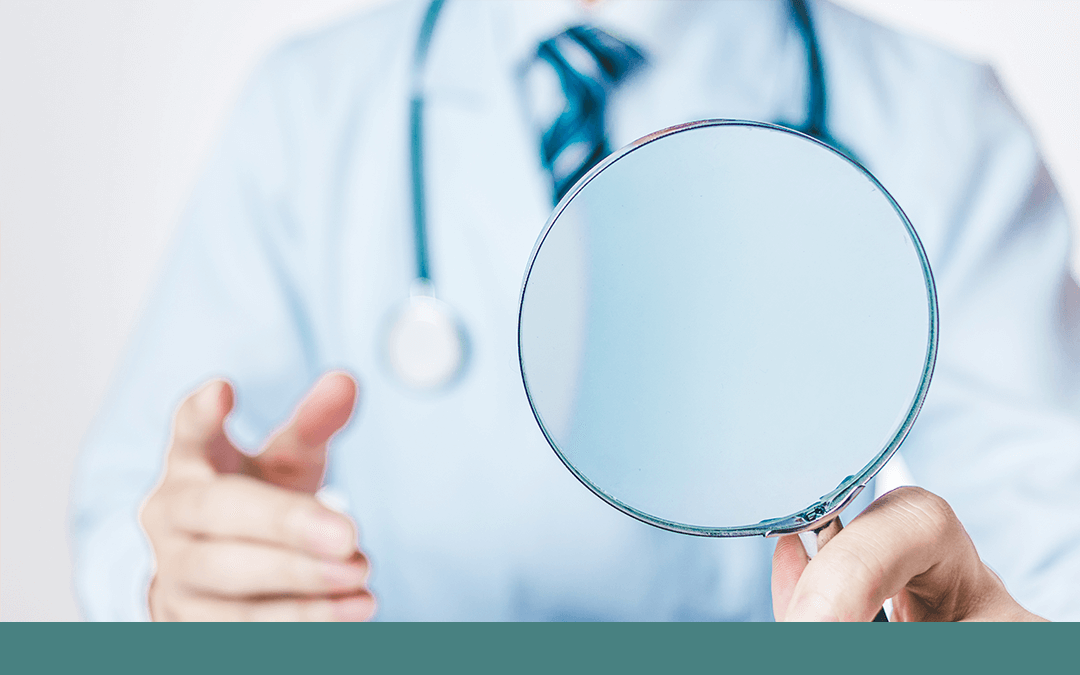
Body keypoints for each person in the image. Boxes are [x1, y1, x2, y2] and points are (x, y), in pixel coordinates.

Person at [72, 0, 1080, 621]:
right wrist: (187, 577)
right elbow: (131, 507)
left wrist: (1009, 639)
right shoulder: (307, 107)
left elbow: (1058, 547)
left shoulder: (946, 123)